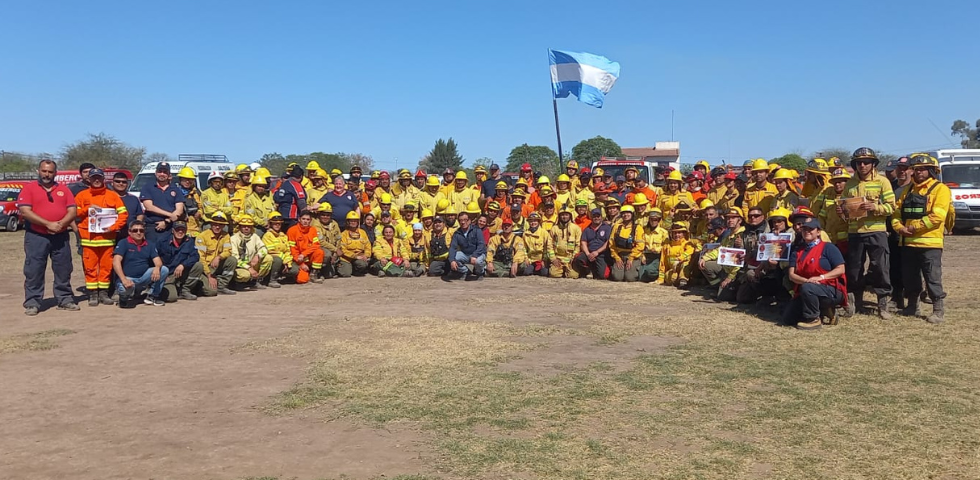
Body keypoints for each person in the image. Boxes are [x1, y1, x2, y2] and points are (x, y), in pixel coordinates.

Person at [891, 153, 951, 324]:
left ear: (932, 171)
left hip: (930, 243)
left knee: (932, 277)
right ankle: (912, 306)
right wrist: (899, 227)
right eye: (916, 169)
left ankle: (938, 310)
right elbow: (896, 212)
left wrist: (913, 227)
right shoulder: (908, 190)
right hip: (908, 243)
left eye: (923, 169)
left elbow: (937, 217)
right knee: (910, 278)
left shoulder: (941, 189)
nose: (918, 172)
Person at [17, 159, 79, 315]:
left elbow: (72, 211)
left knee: (64, 268)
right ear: (38, 171)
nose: (47, 174)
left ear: (55, 173)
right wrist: (47, 224)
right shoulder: (29, 189)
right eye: (44, 171)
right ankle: (33, 302)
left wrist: (60, 224)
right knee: (34, 269)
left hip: (60, 236)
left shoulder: (64, 190)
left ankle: (64, 299)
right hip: (36, 236)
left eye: (50, 171)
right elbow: (25, 211)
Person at [840, 147, 896, 318]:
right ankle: (855, 303)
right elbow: (844, 208)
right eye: (859, 163)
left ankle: (883, 304)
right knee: (854, 269)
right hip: (855, 232)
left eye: (866, 162)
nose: (862, 165)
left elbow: (892, 207)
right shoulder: (849, 184)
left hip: (876, 232)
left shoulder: (882, 182)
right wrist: (841, 210)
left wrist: (874, 207)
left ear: (873, 164)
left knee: (880, 267)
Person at [74, 168, 129, 306]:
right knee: (90, 267)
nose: (96, 180)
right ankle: (92, 294)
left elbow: (123, 214)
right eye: (94, 178)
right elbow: (74, 213)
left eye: (99, 177)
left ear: (104, 179)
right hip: (89, 239)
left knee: (106, 267)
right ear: (89, 179)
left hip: (107, 239)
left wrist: (114, 227)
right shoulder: (81, 195)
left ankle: (103, 293)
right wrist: (88, 209)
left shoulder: (113, 196)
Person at [782, 218, 847, 330]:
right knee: (788, 319)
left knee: (808, 288)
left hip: (830, 289)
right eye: (804, 229)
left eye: (811, 229)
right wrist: (807, 281)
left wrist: (821, 277)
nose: (807, 231)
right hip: (806, 288)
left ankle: (814, 319)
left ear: (818, 232)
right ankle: (825, 311)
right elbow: (791, 275)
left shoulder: (829, 247)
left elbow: (841, 269)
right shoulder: (797, 251)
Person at [112, 220, 168, 307]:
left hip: (143, 277)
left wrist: (157, 268)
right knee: (124, 289)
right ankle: (123, 299)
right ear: (129, 232)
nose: (138, 233)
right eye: (135, 230)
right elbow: (116, 262)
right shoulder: (123, 243)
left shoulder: (149, 244)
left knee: (164, 270)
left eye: (141, 230)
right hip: (127, 278)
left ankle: (152, 296)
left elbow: (158, 261)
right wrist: (124, 279)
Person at [140, 162, 186, 243]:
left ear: (169, 175)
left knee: (168, 253)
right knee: (152, 253)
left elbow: (179, 210)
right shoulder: (147, 187)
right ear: (155, 173)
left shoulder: (176, 189)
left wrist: (167, 221)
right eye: (160, 171)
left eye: (165, 172)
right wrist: (170, 215)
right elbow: (149, 207)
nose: (162, 174)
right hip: (152, 227)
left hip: (170, 227)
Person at [157, 221, 203, 301]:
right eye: (178, 229)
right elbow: (154, 257)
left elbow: (195, 256)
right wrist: (163, 274)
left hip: (181, 272)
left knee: (198, 265)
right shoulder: (162, 241)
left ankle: (185, 290)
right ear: (173, 230)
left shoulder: (190, 241)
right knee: (172, 298)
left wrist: (183, 265)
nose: (180, 232)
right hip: (167, 274)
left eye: (183, 229)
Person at [196, 211, 238, 296]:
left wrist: (219, 257)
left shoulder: (226, 235)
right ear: (211, 224)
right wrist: (208, 275)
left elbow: (228, 251)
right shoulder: (202, 237)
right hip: (205, 268)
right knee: (211, 292)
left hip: (217, 265)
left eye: (220, 225)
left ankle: (222, 286)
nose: (217, 227)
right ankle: (201, 285)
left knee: (232, 260)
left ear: (223, 226)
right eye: (215, 224)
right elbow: (200, 258)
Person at [230, 215, 273, 290]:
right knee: (245, 275)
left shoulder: (255, 236)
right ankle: (239, 283)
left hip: (253, 263)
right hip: (240, 266)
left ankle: (256, 281)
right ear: (239, 227)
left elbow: (264, 248)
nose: (246, 228)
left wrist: (258, 256)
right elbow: (235, 258)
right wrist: (248, 268)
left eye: (249, 226)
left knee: (268, 258)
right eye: (244, 226)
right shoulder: (233, 239)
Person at [608, 205, 645, 282]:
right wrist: (617, 258)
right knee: (617, 278)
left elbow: (640, 246)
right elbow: (611, 244)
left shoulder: (638, 228)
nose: (626, 215)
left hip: (633, 255)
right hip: (619, 255)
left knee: (630, 278)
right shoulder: (616, 227)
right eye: (624, 213)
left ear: (632, 214)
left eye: (628, 213)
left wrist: (631, 258)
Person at [287, 211, 324, 284]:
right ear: (299, 219)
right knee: (302, 280)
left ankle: (314, 274)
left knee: (319, 252)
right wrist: (301, 264)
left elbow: (316, 245)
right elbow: (292, 250)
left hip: (307, 256)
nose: (305, 221)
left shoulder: (312, 230)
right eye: (303, 219)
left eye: (307, 219)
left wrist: (304, 254)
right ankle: (298, 273)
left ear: (310, 221)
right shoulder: (292, 230)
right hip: (297, 259)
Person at [447, 211, 487, 280]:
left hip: (478, 254)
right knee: (454, 256)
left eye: (465, 220)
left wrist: (475, 255)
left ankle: (480, 272)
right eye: (460, 220)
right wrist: (452, 260)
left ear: (469, 221)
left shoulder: (477, 230)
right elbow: (453, 247)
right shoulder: (457, 233)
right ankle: (465, 271)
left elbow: (481, 245)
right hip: (466, 254)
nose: (463, 222)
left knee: (478, 261)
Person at [575, 208, 612, 279]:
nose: (596, 218)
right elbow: (583, 242)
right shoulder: (587, 229)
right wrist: (588, 253)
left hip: (601, 253)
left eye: (598, 216)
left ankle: (596, 270)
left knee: (603, 276)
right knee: (579, 259)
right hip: (589, 252)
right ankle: (588, 270)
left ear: (601, 217)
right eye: (594, 216)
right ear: (591, 217)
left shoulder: (607, 228)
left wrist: (597, 252)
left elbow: (608, 242)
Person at [261, 212, 297, 286]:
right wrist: (284, 260)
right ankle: (271, 280)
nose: (277, 225)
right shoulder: (267, 236)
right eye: (275, 223)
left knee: (295, 270)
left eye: (279, 224)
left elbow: (287, 251)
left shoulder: (283, 236)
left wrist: (288, 262)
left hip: (283, 260)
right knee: (277, 260)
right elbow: (270, 251)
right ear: (270, 224)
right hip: (272, 260)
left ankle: (280, 276)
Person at [547, 208, 582, 278]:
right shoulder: (554, 228)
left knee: (574, 275)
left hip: (570, 259)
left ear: (570, 216)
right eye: (562, 215)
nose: (564, 217)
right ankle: (561, 270)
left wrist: (573, 259)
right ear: (559, 216)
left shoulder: (576, 228)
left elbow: (578, 245)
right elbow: (549, 245)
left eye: (566, 215)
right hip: (558, 258)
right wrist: (553, 259)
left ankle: (567, 270)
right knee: (553, 274)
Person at [660, 221, 695, 287]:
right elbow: (662, 263)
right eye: (674, 233)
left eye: (679, 233)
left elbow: (690, 252)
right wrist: (661, 278)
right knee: (668, 276)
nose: (676, 235)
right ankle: (679, 282)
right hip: (673, 270)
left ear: (684, 234)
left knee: (686, 264)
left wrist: (679, 260)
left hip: (684, 270)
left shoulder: (687, 244)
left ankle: (683, 280)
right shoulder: (666, 246)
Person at [273, 164, 308, 229]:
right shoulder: (296, 185)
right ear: (301, 176)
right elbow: (301, 202)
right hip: (292, 217)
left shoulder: (284, 184)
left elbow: (276, 197)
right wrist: (305, 216)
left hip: (281, 215)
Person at [640, 208, 669, 283]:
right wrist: (642, 256)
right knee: (639, 276)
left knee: (650, 271)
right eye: (651, 219)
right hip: (646, 256)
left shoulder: (664, 232)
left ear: (659, 220)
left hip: (657, 256)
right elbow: (641, 245)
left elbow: (666, 247)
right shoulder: (644, 230)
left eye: (656, 220)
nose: (653, 221)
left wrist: (657, 249)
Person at [174, 167, 201, 236]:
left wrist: (199, 213)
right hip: (179, 229)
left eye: (190, 180)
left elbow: (202, 207)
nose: (187, 182)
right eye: (185, 179)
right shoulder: (174, 192)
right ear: (180, 180)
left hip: (195, 228)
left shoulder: (197, 193)